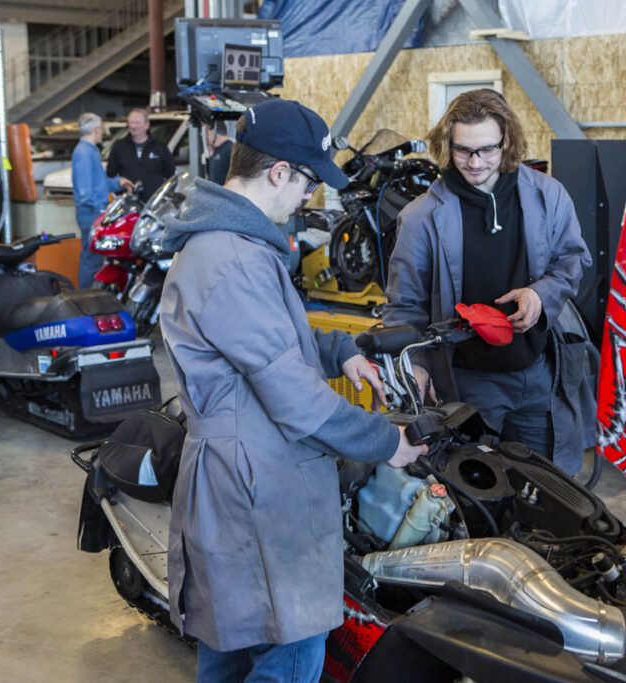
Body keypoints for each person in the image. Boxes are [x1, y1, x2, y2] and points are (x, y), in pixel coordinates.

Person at [158, 98, 427, 682]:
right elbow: (295, 399)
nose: (310, 195)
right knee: (291, 652)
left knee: (230, 645)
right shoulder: (230, 258)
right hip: (257, 487)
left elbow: (270, 340)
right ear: (279, 171)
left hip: (241, 480)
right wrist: (387, 441)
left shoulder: (234, 246)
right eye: (308, 181)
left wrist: (339, 351)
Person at [384, 88, 595, 476]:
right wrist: (416, 366)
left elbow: (573, 259)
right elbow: (404, 305)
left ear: (508, 141)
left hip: (537, 374)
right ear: (447, 145)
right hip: (467, 382)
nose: (475, 162)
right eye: (463, 150)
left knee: (547, 489)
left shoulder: (548, 196)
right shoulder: (421, 218)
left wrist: (540, 294)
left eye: (487, 150)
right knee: (477, 492)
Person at [72, 112, 133, 288]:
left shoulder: (89, 151)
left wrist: (117, 182)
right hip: (91, 214)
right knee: (91, 259)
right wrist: (100, 210)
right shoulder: (84, 153)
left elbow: (98, 183)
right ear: (96, 129)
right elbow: (85, 192)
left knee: (94, 258)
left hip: (92, 213)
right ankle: (85, 298)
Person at [106, 107, 175, 200]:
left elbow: (170, 174)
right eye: (131, 122)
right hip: (127, 202)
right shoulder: (119, 147)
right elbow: (110, 174)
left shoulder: (160, 147)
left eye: (137, 123)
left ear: (147, 125)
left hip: (154, 203)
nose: (133, 126)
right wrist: (120, 193)